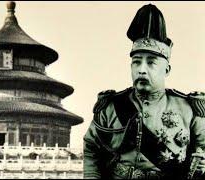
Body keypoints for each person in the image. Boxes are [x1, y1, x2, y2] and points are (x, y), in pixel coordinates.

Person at [83, 4, 205, 179]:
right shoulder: (110, 107)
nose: (142, 69)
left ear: (167, 70)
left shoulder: (190, 109)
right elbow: (91, 147)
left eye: (151, 63)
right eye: (136, 62)